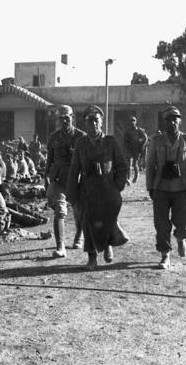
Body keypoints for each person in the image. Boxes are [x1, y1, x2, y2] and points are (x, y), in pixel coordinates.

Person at [67, 105, 129, 270]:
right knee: (87, 223)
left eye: (96, 120)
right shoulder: (80, 144)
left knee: (107, 219)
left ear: (101, 122)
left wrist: (117, 186)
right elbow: (74, 170)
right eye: (89, 121)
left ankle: (108, 244)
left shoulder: (110, 142)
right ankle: (92, 257)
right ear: (85, 124)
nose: (93, 124)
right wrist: (72, 195)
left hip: (107, 190)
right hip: (87, 190)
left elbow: (122, 166)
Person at [146, 106, 186, 270]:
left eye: (175, 119)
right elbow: (150, 165)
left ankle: (181, 238)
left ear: (180, 121)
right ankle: (165, 255)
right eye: (168, 120)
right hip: (161, 188)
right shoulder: (156, 141)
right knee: (161, 224)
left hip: (181, 187)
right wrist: (150, 186)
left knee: (182, 220)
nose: (172, 122)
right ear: (164, 122)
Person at [45, 105, 87, 258]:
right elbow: (50, 159)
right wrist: (46, 177)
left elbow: (86, 160)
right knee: (59, 211)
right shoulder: (54, 137)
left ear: (72, 117)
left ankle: (78, 236)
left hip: (77, 179)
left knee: (79, 212)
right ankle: (60, 246)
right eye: (61, 118)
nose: (64, 121)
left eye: (67, 117)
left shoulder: (81, 137)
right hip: (59, 178)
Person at [123, 116, 148, 184]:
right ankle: (128, 178)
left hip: (137, 150)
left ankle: (136, 177)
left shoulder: (139, 130)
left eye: (133, 121)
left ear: (136, 122)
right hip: (130, 149)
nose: (132, 122)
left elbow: (145, 138)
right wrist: (127, 145)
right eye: (131, 121)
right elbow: (125, 140)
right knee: (128, 164)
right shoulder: (127, 131)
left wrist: (141, 145)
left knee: (134, 164)